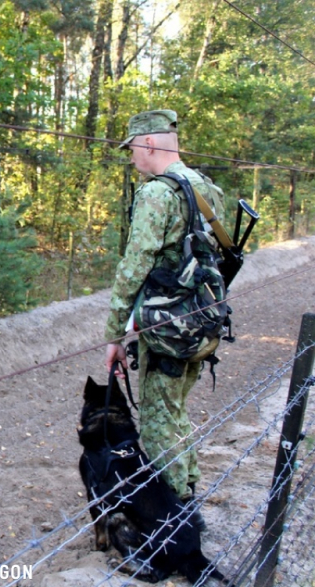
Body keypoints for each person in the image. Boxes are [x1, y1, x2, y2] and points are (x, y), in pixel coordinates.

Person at [105, 109, 225, 506]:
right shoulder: (205, 188)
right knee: (175, 410)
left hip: (167, 329)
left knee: (157, 424)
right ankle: (187, 491)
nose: (132, 158)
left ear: (150, 143)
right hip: (202, 320)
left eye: (133, 149)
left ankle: (170, 522)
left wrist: (114, 333)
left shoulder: (157, 192)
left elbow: (135, 264)